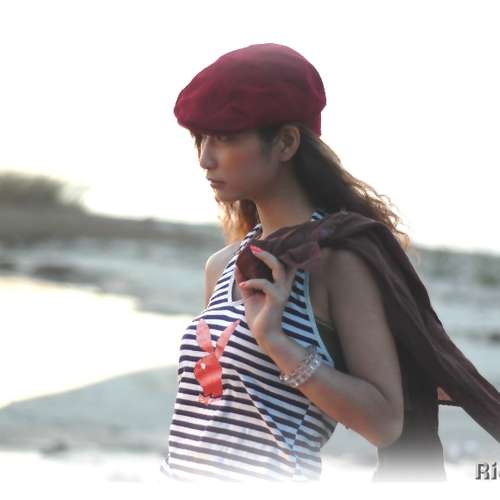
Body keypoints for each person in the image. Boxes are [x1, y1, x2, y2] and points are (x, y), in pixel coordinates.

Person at [159, 43, 499, 482]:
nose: (205, 158)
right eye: (200, 138)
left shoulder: (336, 263)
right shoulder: (224, 265)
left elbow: (385, 423)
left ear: (286, 142)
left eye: (225, 137)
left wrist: (278, 344)